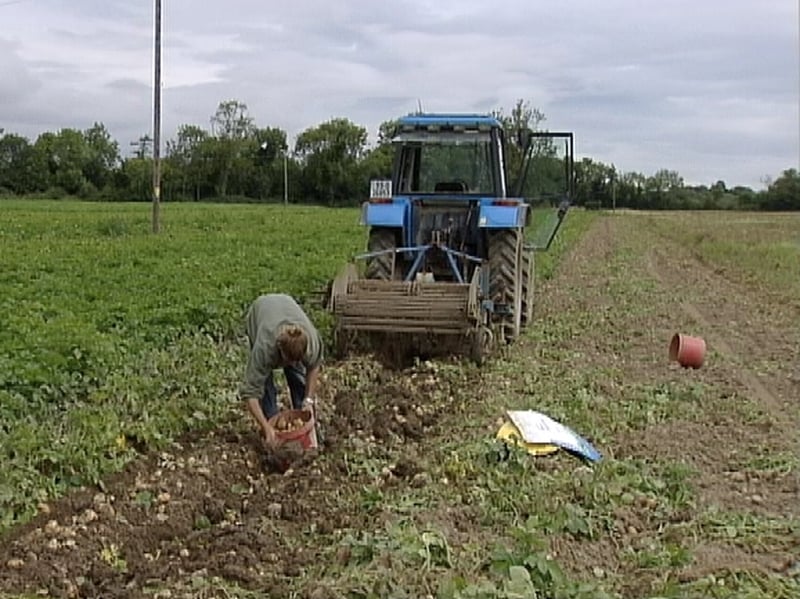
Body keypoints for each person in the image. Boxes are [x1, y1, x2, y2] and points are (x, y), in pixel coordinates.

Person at [238, 293, 323, 448]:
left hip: (286, 302)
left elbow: (314, 365)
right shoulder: (264, 347)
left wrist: (308, 400)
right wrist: (266, 426)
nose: (290, 363)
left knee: (298, 377)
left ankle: (303, 426)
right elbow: (251, 394)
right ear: (280, 350)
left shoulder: (311, 341)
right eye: (288, 360)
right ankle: (275, 433)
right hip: (260, 311)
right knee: (265, 387)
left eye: (296, 360)